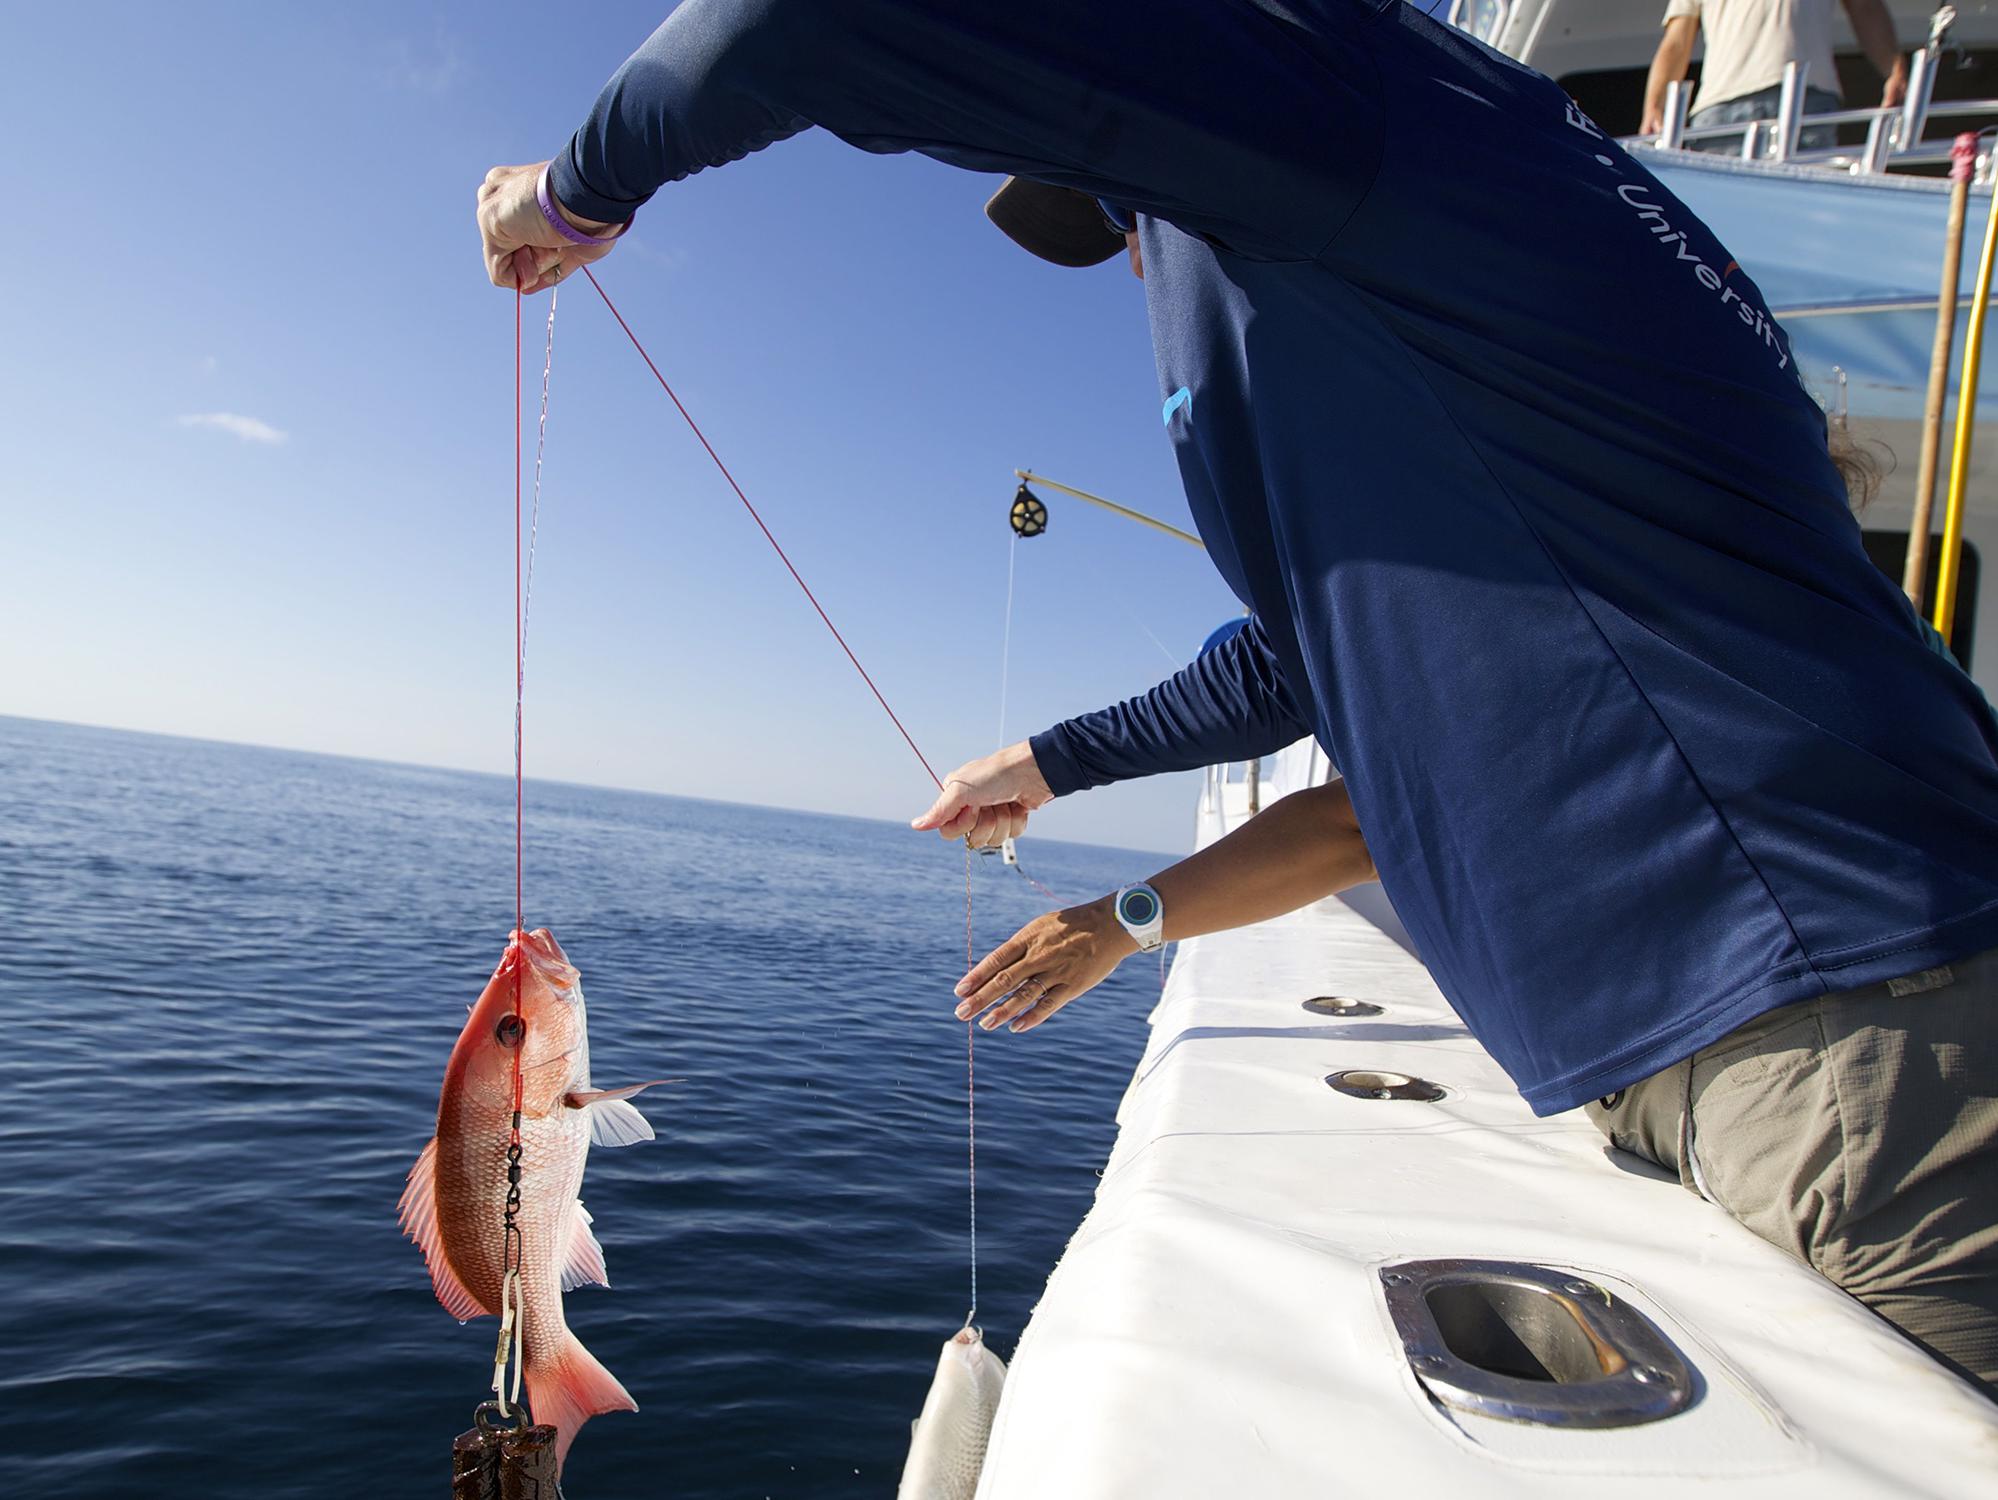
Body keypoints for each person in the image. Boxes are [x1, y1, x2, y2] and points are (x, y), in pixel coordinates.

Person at [479, 0, 1998, 1392]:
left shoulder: (1348, 100)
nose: (1138, 256)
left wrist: (572, 191)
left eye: (1132, 207)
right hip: (1783, 1023)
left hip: (1844, 1036)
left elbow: (799, 17)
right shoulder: (1504, 247)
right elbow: (1302, 654)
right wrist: (1051, 763)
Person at [1641, 0, 1908, 151]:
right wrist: (1654, 105)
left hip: (1807, 104)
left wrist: (1894, 69)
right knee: (1722, 227)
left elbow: (1865, 9)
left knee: (1802, 219)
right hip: (1721, 112)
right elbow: (1677, 40)